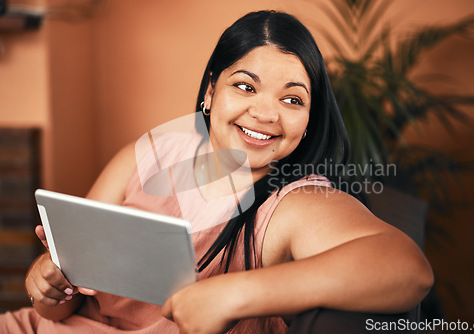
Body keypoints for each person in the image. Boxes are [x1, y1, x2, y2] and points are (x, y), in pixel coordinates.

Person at [1, 10, 433, 334]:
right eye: (245, 86)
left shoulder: (292, 202)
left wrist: (231, 293)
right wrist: (48, 284)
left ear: (308, 122)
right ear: (211, 91)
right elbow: (58, 308)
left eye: (292, 99)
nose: (265, 113)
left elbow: (408, 269)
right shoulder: (152, 153)